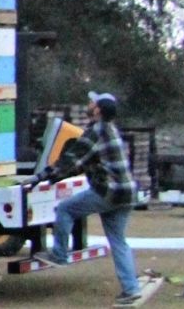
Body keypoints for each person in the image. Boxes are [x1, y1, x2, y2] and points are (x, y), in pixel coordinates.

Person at [31, 92, 140, 305]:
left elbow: (71, 158)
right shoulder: (111, 130)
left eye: (92, 102)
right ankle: (131, 289)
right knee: (118, 241)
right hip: (127, 193)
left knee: (65, 210)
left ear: (98, 109)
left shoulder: (96, 131)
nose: (89, 104)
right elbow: (85, 162)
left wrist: (42, 176)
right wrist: (56, 176)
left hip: (109, 192)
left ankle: (59, 255)